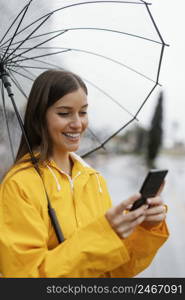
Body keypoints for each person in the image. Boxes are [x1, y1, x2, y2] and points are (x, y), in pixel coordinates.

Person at [0, 69, 169, 278]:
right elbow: (24, 278)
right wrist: (104, 234)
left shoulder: (94, 181)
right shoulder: (20, 185)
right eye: (64, 113)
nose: (78, 124)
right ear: (39, 117)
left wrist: (145, 228)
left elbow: (115, 272)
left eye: (83, 112)